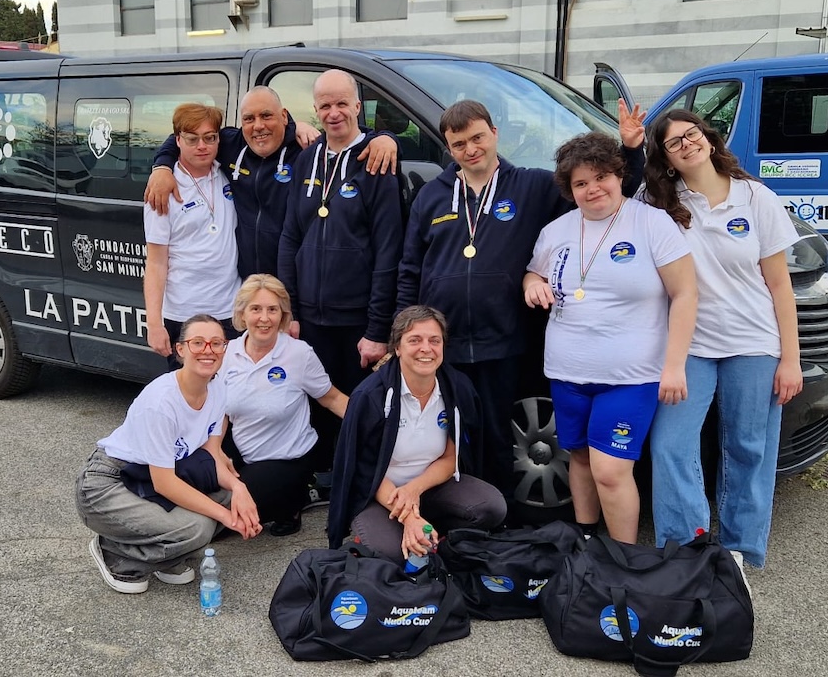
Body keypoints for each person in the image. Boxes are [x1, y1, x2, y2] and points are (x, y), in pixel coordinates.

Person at [396, 99, 647, 502]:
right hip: (445, 341)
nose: (470, 149)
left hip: (506, 338)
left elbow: (605, 194)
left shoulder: (533, 186)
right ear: (449, 148)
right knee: (448, 433)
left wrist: (632, 150)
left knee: (497, 433)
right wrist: (402, 331)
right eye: (459, 144)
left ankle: (498, 521)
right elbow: (409, 267)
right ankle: (456, 516)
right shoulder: (431, 197)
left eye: (477, 137)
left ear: (494, 134)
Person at [641, 110, 803, 571]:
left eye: (691, 134)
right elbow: (609, 203)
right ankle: (684, 547)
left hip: (754, 342)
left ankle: (740, 551)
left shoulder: (757, 197)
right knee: (670, 445)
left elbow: (780, 286)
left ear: (708, 139)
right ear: (667, 159)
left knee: (749, 448)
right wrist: (632, 145)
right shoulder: (658, 205)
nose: (686, 143)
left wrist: (790, 359)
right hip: (689, 346)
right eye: (673, 143)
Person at [523, 132, 697, 543]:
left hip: (631, 375)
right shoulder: (557, 230)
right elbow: (536, 271)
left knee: (611, 471)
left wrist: (674, 365)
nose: (592, 189)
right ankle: (586, 539)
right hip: (568, 371)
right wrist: (532, 282)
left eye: (600, 177)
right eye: (580, 184)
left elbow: (685, 293)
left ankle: (625, 559)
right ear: (570, 190)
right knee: (580, 459)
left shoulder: (651, 223)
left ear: (619, 175)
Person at [76, 314, 263, 594]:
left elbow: (211, 454)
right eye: (197, 342)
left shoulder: (217, 388)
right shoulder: (162, 401)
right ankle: (115, 552)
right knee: (198, 527)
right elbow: (165, 483)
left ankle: (167, 557)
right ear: (181, 350)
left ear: (225, 348)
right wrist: (225, 519)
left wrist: (239, 488)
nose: (207, 350)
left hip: (147, 478)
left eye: (216, 343)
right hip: (108, 484)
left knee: (227, 499)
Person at [278, 69, 405, 474]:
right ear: (315, 110)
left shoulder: (376, 159)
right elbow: (290, 236)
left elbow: (389, 251)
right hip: (310, 317)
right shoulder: (306, 159)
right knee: (315, 402)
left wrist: (377, 329)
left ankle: (361, 481)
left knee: (358, 406)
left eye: (341, 104)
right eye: (325, 106)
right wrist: (290, 311)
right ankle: (323, 479)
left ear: (357, 106)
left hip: (357, 321)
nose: (334, 113)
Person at [144, 85, 398, 279]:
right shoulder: (230, 144)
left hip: (294, 286)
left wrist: (386, 138)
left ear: (284, 116)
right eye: (249, 118)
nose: (258, 126)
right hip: (243, 288)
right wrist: (162, 166)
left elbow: (346, 136)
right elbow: (187, 134)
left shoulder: (306, 149)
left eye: (267, 116)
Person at [327, 305, 507, 564]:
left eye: (435, 340)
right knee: (389, 553)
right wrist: (409, 516)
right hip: (378, 494)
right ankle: (412, 528)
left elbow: (451, 458)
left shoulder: (457, 388)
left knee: (491, 506)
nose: (426, 348)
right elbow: (363, 470)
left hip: (430, 486)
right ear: (397, 348)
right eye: (415, 340)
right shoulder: (370, 397)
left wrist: (414, 490)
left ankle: (429, 530)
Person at [220, 274, 348, 536]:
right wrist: (214, 452)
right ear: (242, 314)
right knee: (198, 493)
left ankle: (293, 500)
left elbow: (333, 398)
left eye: (272, 310)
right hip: (242, 452)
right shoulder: (228, 353)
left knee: (227, 516)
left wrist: (379, 426)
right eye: (255, 309)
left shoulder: (299, 354)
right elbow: (218, 411)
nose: (264, 318)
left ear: (283, 315)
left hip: (287, 458)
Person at [144, 103, 241, 369]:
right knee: (190, 399)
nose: (202, 146)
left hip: (229, 313)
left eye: (210, 138)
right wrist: (154, 323)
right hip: (184, 316)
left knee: (229, 398)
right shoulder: (163, 189)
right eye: (192, 139)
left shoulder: (226, 173)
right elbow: (155, 262)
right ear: (178, 141)